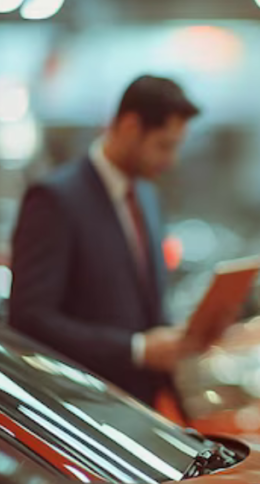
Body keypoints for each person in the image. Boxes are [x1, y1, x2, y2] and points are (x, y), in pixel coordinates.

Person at [10, 75, 220, 408]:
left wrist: (175, 339)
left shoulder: (148, 196)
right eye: (164, 145)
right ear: (129, 126)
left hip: (144, 409)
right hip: (84, 409)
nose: (172, 160)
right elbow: (30, 319)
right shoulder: (54, 199)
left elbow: (145, 303)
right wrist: (135, 349)